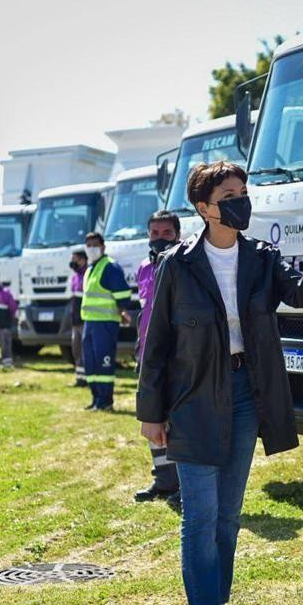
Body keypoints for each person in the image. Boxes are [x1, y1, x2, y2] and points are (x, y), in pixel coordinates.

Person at [136, 161, 303, 605]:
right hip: (193, 396)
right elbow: (157, 345)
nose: (240, 200)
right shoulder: (178, 265)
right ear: (204, 208)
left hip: (248, 391)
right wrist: (150, 413)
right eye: (229, 194)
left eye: (243, 192)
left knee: (227, 514)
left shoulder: (262, 258)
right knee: (199, 515)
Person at [133, 210, 182, 509]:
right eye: (155, 234)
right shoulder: (143, 267)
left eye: (166, 233)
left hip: (175, 356)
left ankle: (184, 483)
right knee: (151, 417)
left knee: (177, 422)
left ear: (177, 234)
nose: (160, 239)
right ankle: (163, 479)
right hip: (147, 355)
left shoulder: (184, 264)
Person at [81, 232, 132, 411]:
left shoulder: (110, 267)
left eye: (94, 245)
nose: (91, 249)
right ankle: (96, 399)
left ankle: (105, 401)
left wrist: (122, 310)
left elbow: (123, 294)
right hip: (89, 322)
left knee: (103, 362)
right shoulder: (90, 268)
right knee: (90, 363)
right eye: (88, 245)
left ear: (103, 247)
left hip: (106, 323)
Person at [68, 250, 88, 387]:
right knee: (76, 349)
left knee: (85, 350)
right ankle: (79, 378)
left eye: (75, 259)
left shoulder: (88, 274)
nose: (72, 262)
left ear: (82, 260)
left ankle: (87, 378)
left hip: (85, 320)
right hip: (75, 321)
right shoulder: (75, 277)